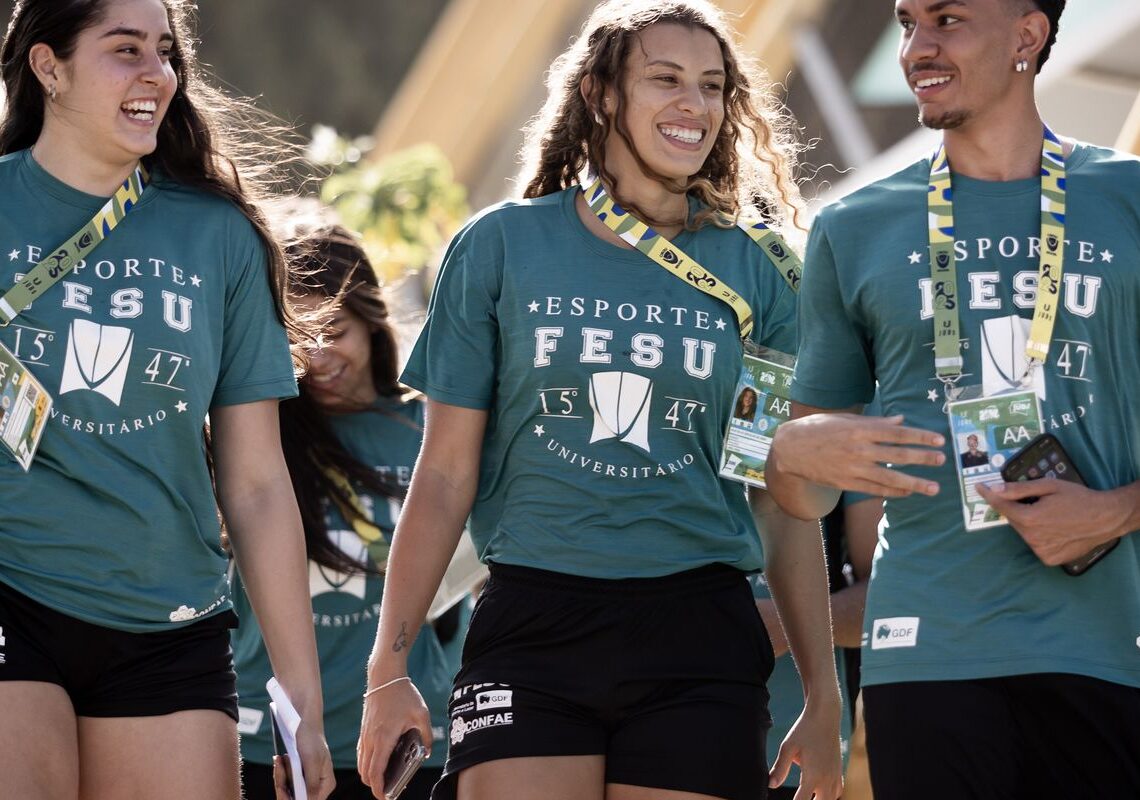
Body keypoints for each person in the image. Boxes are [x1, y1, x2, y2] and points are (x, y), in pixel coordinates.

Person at [356, 2, 844, 799]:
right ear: (601, 95)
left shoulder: (762, 272)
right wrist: (388, 669)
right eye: (666, 80)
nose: (695, 105)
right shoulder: (500, 246)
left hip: (699, 631)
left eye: (714, 86)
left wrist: (824, 699)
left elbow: (777, 496)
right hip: (533, 620)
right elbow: (444, 475)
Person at [765, 1, 1140, 797]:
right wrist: (788, 455)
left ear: (1028, 36)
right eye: (906, 23)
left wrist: (1116, 510)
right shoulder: (852, 226)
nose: (916, 48)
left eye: (947, 20)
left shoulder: (1128, 200)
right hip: (924, 652)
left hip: (1108, 649)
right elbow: (801, 493)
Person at [0, 2, 334, 798]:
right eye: (125, 51)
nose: (157, 74)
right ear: (49, 68)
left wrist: (302, 696)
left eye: (165, 51)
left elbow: (254, 484)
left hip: (168, 617)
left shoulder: (219, 236)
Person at [232, 206, 464, 800]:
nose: (317, 358)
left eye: (334, 331)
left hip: (408, 741)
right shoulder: (254, 435)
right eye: (296, 338)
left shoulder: (432, 431)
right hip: (272, 744)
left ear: (370, 317)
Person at [756, 493, 881, 800]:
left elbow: (889, 602)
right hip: (665, 739)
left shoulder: (847, 448)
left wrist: (783, 621)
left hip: (797, 756)